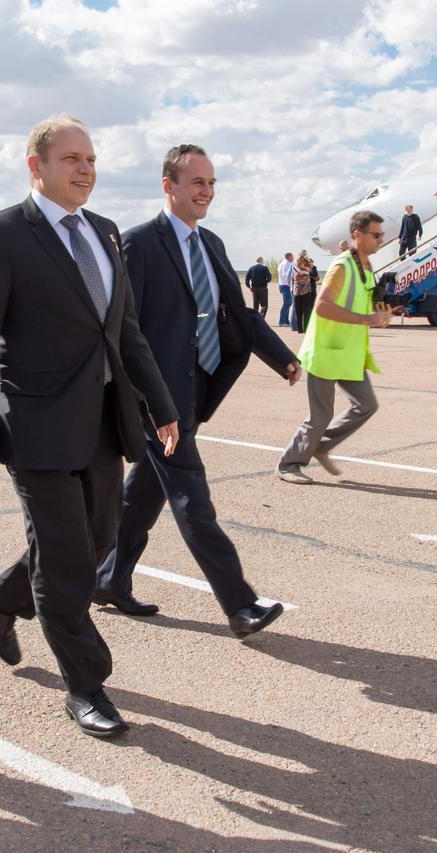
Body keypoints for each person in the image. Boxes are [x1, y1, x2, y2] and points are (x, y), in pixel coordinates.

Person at [0, 115, 179, 739]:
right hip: (37, 426)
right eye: (72, 158)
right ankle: (86, 683)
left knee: (98, 541)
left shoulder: (104, 233)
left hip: (103, 423)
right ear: (37, 166)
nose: (86, 169)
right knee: (69, 562)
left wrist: (162, 407)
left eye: (92, 159)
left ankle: (1, 595)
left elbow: (123, 331)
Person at [94, 144, 301, 636]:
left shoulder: (211, 243)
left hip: (195, 389)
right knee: (192, 497)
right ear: (168, 185)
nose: (206, 192)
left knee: (142, 495)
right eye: (196, 183)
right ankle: (240, 603)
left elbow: (237, 312)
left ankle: (107, 579)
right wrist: (135, 394)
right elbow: (123, 324)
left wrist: (280, 356)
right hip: (155, 396)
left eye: (210, 183)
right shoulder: (139, 244)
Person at [277, 212, 392, 483]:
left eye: (381, 235)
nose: (380, 240)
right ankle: (289, 464)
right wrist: (366, 319)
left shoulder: (366, 267)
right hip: (326, 352)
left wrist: (379, 315)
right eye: (376, 235)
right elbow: (323, 306)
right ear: (357, 236)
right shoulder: (342, 266)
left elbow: (357, 303)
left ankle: (320, 445)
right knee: (321, 415)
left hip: (349, 353)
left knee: (366, 405)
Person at [292, 250, 316, 333]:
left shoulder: (309, 264)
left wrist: (306, 270)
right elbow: (297, 275)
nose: (303, 257)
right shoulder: (294, 266)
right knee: (299, 310)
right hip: (298, 290)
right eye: (301, 256)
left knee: (306, 310)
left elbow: (313, 274)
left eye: (304, 256)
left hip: (305, 290)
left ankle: (305, 328)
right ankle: (300, 329)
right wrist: (305, 272)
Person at [277, 252, 295, 327]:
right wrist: (292, 283)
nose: (293, 258)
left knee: (288, 303)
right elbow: (286, 275)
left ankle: (286, 321)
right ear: (289, 257)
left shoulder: (283, 263)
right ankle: (282, 321)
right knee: (287, 303)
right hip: (286, 286)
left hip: (283, 285)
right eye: (292, 256)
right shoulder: (287, 264)